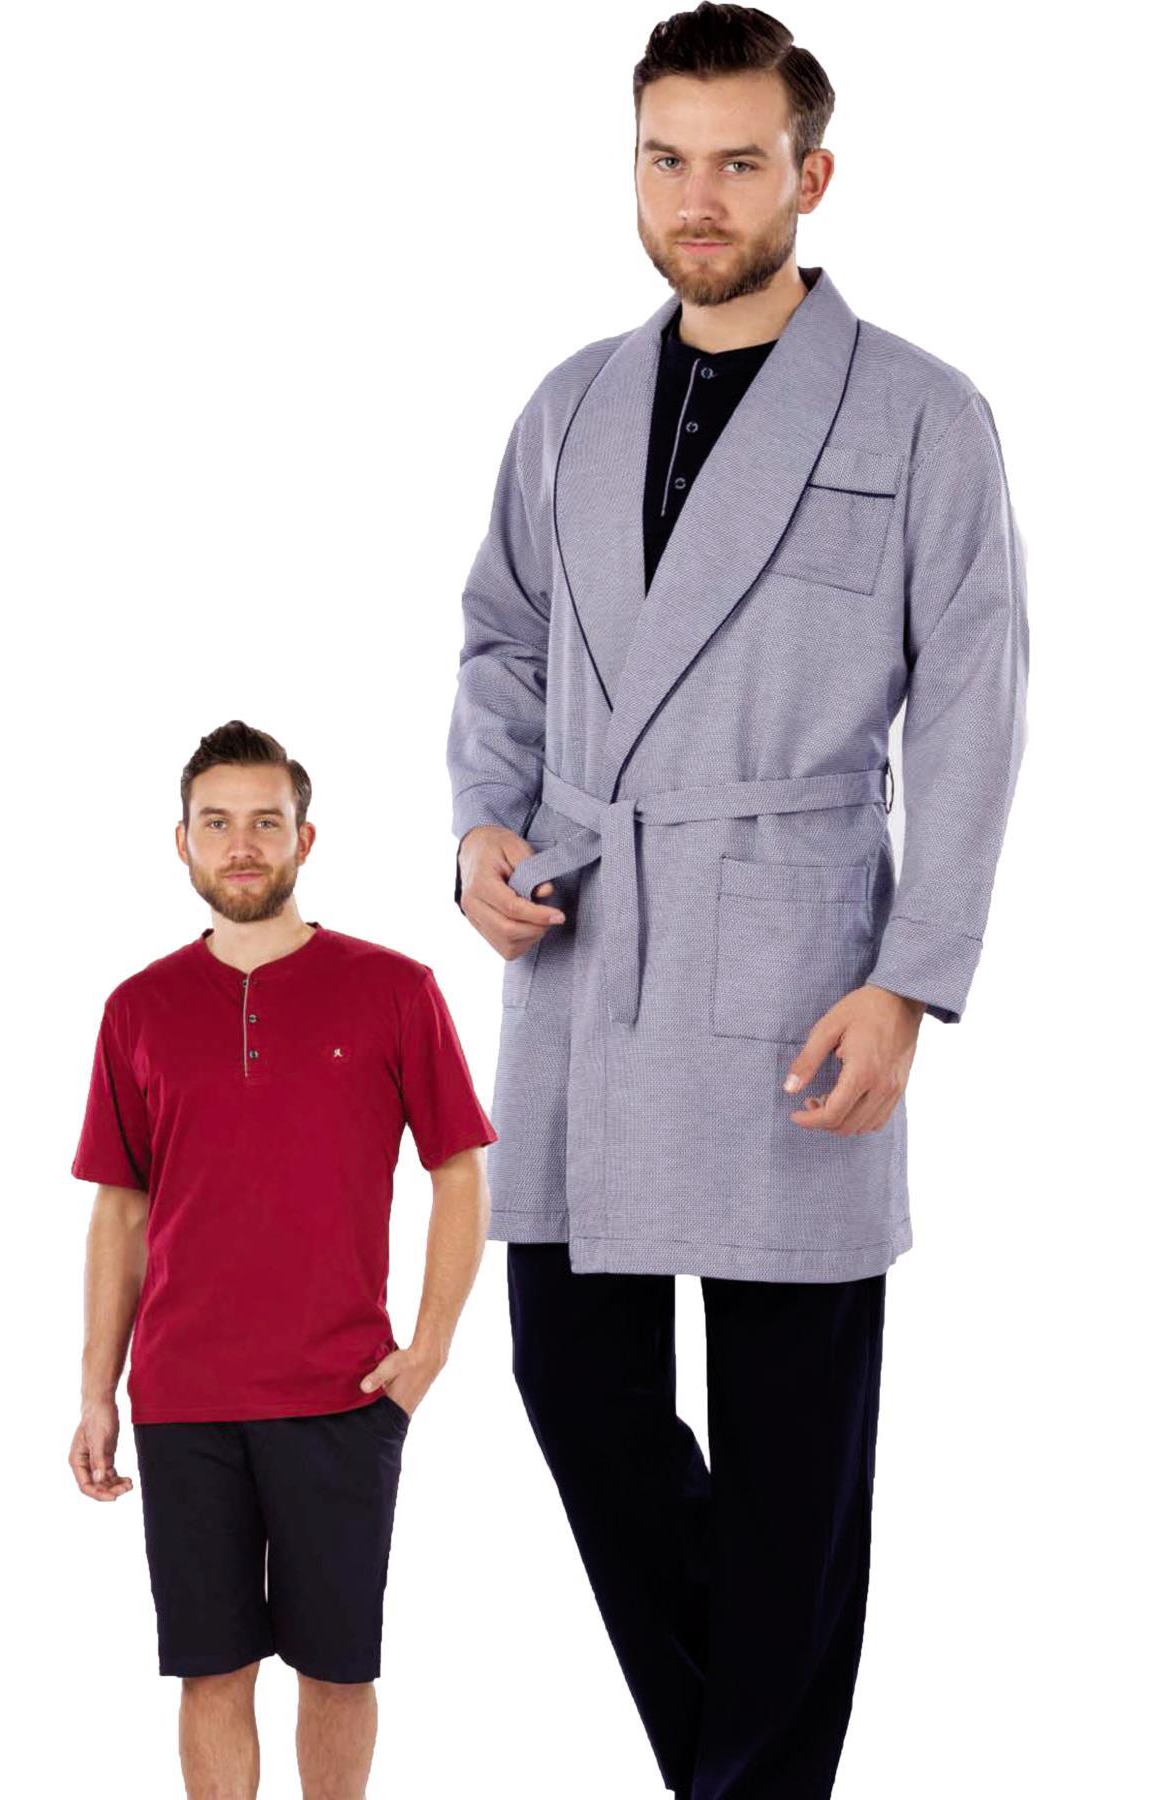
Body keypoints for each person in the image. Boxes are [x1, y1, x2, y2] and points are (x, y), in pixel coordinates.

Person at [447, 6, 1028, 1797]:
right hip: (583, 947)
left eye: (739, 162)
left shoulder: (922, 411)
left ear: (811, 175)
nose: (698, 199)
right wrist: (479, 831)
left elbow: (979, 702)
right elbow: (502, 641)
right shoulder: (568, 405)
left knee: (792, 1449)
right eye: (666, 159)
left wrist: (912, 980)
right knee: (573, 1385)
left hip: (797, 966)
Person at [68, 719, 496, 1800]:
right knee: (211, 1673)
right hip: (183, 1398)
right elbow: (120, 1211)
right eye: (218, 824)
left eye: (266, 822)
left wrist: (430, 1349)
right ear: (183, 842)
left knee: (338, 1671)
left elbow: (458, 1169)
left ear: (306, 839)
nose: (243, 845)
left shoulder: (395, 988)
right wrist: (97, 1391)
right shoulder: (137, 1009)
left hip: (343, 1392)